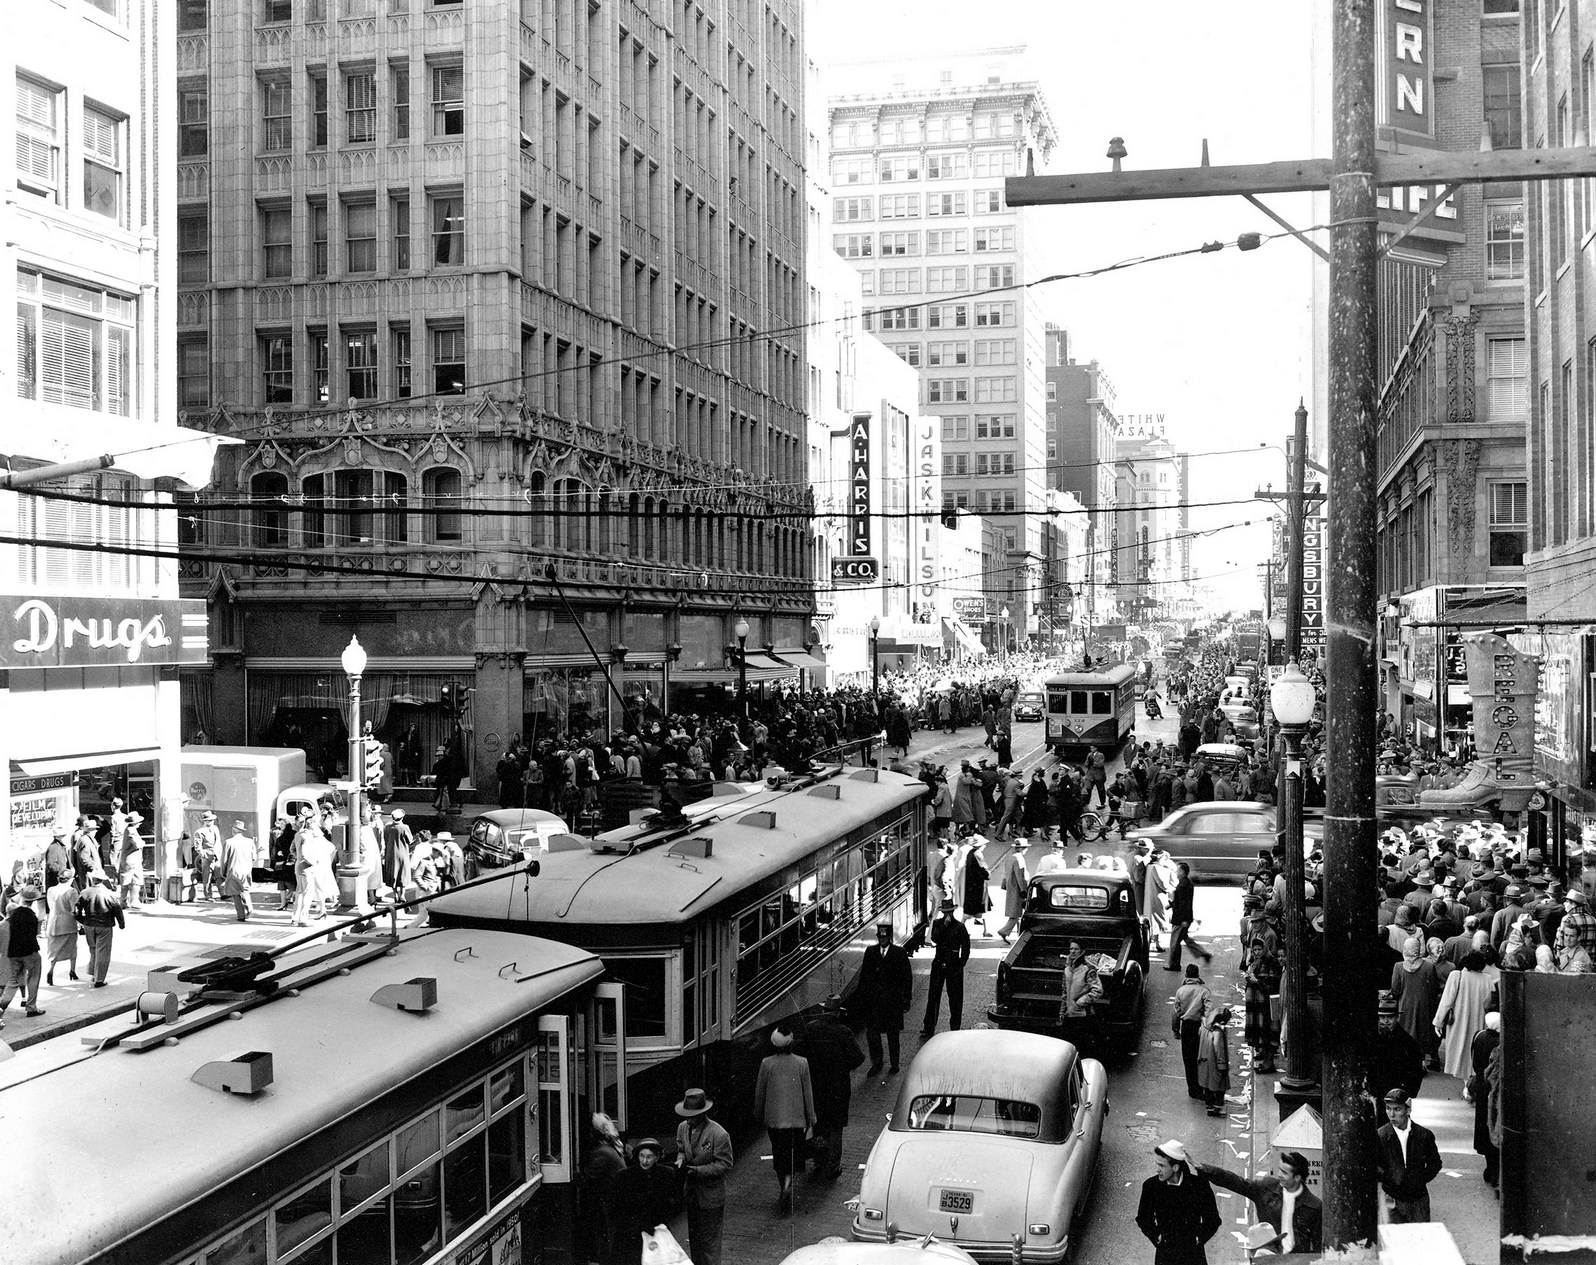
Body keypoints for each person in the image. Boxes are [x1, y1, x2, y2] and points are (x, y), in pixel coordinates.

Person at [1196, 1150, 1322, 1256]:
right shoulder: (1267, 1188)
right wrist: (1206, 1170)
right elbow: (1237, 1183)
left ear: (1297, 1177)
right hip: (1265, 1257)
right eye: (1279, 1170)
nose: (1279, 1175)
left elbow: (1318, 1246)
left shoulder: (1314, 1207)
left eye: (1284, 1173)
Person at [796, 995, 864, 1180]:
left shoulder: (811, 1029)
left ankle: (819, 1161)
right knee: (836, 1128)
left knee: (819, 1124)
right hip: (838, 1088)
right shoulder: (844, 1032)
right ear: (837, 1013)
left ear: (823, 1011)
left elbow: (800, 1053)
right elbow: (858, 1058)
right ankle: (833, 1166)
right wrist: (842, 1067)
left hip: (816, 1087)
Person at [754, 1025, 816, 1211]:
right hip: (796, 1121)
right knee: (793, 1155)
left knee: (779, 1155)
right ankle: (788, 1185)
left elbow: (760, 1092)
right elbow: (808, 1093)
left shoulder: (766, 1064)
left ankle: (784, 1185)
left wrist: (758, 1113)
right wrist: (811, 1117)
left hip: (774, 1121)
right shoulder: (802, 1063)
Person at [1135, 1139, 1222, 1265]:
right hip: (1165, 1255)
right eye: (1157, 1164)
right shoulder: (1151, 1186)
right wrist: (1157, 1237)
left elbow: (1213, 1220)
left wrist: (1199, 1238)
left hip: (1193, 1255)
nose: (1157, 1170)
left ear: (1175, 1167)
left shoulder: (1199, 1186)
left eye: (1162, 1166)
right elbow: (1143, 1218)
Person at [674, 1088, 733, 1265]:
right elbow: (681, 1149)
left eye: (692, 1116)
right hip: (692, 1195)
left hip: (711, 1198)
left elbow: (725, 1164)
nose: (688, 1120)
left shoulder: (719, 1134)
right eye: (686, 1115)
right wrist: (680, 1159)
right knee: (696, 1243)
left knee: (710, 1245)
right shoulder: (683, 1128)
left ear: (702, 1114)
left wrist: (697, 1171)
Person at [607, 1138, 680, 1265]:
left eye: (649, 1157)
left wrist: (660, 1222)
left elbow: (672, 1202)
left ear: (657, 1157)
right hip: (631, 1233)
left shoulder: (666, 1174)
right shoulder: (624, 1176)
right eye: (642, 1156)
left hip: (655, 1231)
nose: (644, 1161)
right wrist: (637, 1225)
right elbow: (617, 1209)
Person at [1375, 1088, 1442, 1223]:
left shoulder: (1424, 1135)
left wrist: (1419, 1180)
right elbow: (1374, 1165)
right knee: (1393, 1240)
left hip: (1418, 1199)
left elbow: (1435, 1163)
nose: (1391, 1114)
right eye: (1388, 1109)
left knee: (1419, 1239)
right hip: (1392, 1198)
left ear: (1408, 1110)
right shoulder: (1380, 1136)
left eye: (1397, 1109)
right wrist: (1391, 1180)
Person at [856, 920, 913, 1074]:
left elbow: (907, 977)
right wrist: (862, 998)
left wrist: (907, 999)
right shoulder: (870, 952)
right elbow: (864, 977)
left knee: (892, 1035)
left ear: (889, 937)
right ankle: (877, 1063)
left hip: (893, 1003)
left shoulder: (899, 953)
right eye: (880, 937)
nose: (882, 940)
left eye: (884, 937)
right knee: (873, 1035)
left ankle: (895, 1064)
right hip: (874, 1003)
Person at [581, 1112, 630, 1265]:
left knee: (606, 1238)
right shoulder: (611, 1148)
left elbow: (587, 1177)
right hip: (616, 1200)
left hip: (609, 1203)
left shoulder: (602, 1153)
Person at [920, 898, 971, 1037]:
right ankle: (929, 1027)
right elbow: (935, 939)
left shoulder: (960, 927)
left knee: (955, 997)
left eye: (949, 912)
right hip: (939, 963)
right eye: (945, 912)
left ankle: (955, 1026)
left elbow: (966, 946)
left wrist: (961, 962)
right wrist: (944, 926)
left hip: (953, 965)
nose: (947, 915)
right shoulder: (937, 923)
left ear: (953, 912)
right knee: (933, 996)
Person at [0, 886, 47, 1025]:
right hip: (29, 952)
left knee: (13, 981)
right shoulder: (31, 915)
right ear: (33, 900)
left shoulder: (14, 914)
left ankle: (2, 1005)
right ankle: (31, 1006)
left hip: (13, 953)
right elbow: (34, 934)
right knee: (33, 977)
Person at [1469, 1011, 1501, 1188]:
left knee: (1484, 1127)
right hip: (1494, 1089)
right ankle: (1496, 1172)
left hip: (1482, 1088)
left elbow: (1474, 1061)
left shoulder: (1479, 1036)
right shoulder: (1499, 1042)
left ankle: (1490, 1168)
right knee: (1494, 1126)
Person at [1171, 964, 1211, 1100]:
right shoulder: (1204, 991)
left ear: (1186, 976)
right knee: (1199, 1058)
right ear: (1198, 975)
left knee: (1188, 1059)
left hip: (1186, 1028)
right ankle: (1201, 1087)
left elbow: (1176, 1013)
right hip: (1200, 1028)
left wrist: (1176, 1030)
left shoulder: (1180, 991)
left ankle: (1192, 1089)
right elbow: (1209, 1012)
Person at [76, 878, 125, 988]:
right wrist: (121, 923)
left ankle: (93, 973)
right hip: (104, 925)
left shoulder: (85, 892)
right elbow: (117, 909)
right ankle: (99, 979)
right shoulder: (110, 894)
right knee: (102, 952)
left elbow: (76, 910)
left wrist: (82, 921)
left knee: (93, 950)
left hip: (89, 925)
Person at [1165, 861, 1213, 970]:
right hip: (1184, 917)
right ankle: (1203, 954)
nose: (1176, 873)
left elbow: (1183, 904)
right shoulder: (1186, 883)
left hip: (1180, 919)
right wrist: (1171, 904)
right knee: (1185, 939)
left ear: (1182, 872)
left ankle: (1174, 965)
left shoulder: (1182, 885)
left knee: (1174, 942)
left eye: (1177, 871)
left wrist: (1184, 920)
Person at [42, 875, 80, 986]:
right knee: (72, 948)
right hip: (67, 923)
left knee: (53, 950)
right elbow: (74, 909)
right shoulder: (72, 891)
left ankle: (51, 970)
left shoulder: (51, 890)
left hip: (53, 922)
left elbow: (50, 905)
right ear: (70, 879)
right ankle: (72, 971)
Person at [1196, 1005, 1232, 1117]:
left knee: (1207, 1086)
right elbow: (1219, 1049)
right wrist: (1222, 1065)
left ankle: (1209, 1106)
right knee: (1219, 1086)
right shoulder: (1217, 1032)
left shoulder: (1204, 1027)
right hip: (1214, 1063)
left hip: (1203, 1059)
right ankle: (1217, 1108)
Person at [993, 835, 1029, 943]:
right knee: (1016, 912)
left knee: (1015, 911)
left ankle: (1014, 931)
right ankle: (1005, 931)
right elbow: (1020, 876)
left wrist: (1004, 884)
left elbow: (1005, 872)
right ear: (1023, 848)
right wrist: (1024, 889)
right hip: (1017, 888)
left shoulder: (1010, 856)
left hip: (1010, 886)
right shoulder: (1019, 858)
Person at [221, 820, 256, 922]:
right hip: (246, 870)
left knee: (235, 893)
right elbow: (254, 857)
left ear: (234, 830)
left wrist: (223, 872)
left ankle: (241, 915)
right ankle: (249, 907)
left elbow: (224, 860)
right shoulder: (250, 841)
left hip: (233, 870)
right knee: (245, 890)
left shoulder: (228, 842)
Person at [190, 810, 223, 901]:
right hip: (207, 856)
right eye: (208, 820)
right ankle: (208, 895)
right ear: (204, 821)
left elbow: (218, 842)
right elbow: (198, 847)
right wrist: (203, 855)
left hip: (217, 855)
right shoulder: (199, 832)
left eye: (212, 820)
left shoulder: (215, 828)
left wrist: (220, 853)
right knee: (207, 876)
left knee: (219, 875)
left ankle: (223, 893)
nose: (211, 822)